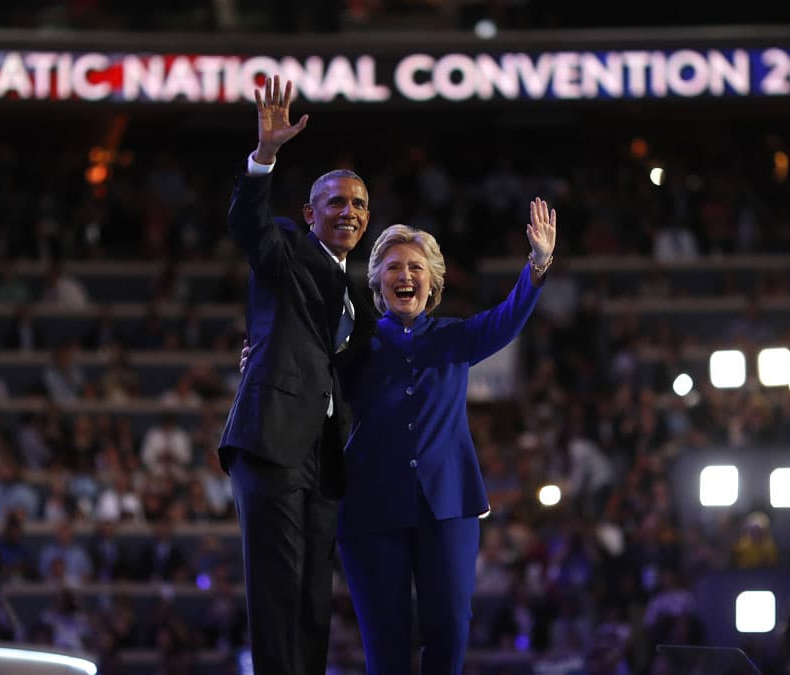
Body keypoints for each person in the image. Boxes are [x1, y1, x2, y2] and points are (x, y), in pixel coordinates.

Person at [242, 199, 556, 673]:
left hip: (448, 504)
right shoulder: (354, 343)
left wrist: (537, 262)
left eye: (414, 267)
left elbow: (508, 317)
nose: (404, 275)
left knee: (450, 627)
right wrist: (260, 361)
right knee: (385, 640)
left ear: (432, 282)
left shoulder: (455, 337)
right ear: (377, 282)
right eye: (392, 267)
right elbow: (303, 368)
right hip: (370, 507)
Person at [218, 75, 374, 675]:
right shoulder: (284, 246)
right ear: (311, 212)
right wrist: (265, 156)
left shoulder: (360, 295)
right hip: (272, 439)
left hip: (325, 457)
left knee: (313, 598)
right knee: (277, 590)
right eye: (336, 201)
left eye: (359, 204)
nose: (349, 212)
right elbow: (246, 225)